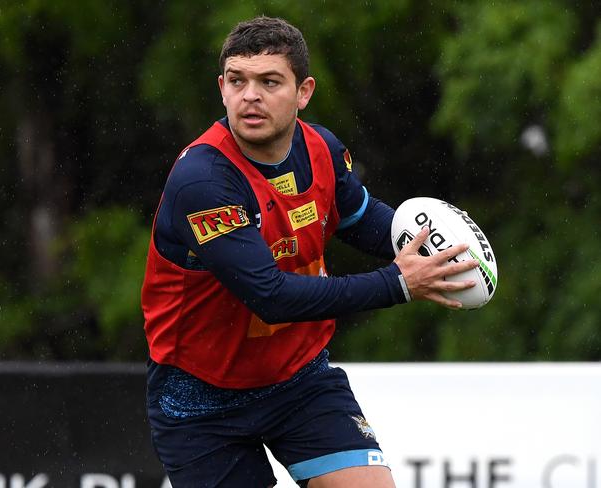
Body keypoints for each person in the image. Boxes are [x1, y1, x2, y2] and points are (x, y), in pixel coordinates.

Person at [142, 16, 478, 488]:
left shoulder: (321, 147)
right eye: (237, 81)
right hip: (202, 400)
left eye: (269, 81)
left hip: (300, 380)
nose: (249, 95)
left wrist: (440, 251)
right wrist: (399, 283)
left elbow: (364, 221)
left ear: (304, 92)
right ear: (221, 88)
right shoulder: (204, 181)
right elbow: (271, 296)